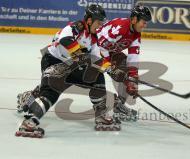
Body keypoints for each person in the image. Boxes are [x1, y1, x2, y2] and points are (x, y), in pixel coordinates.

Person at [15, 4, 121, 138]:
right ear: (89, 20)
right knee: (52, 91)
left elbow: (97, 60)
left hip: (72, 66)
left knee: (97, 75)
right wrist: (81, 55)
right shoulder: (75, 27)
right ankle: (29, 120)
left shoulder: (93, 38)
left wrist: (112, 69)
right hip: (53, 60)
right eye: (98, 22)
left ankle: (100, 114)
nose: (100, 26)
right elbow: (65, 40)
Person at [93, 5, 152, 123]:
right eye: (143, 22)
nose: (145, 25)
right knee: (114, 76)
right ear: (134, 19)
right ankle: (104, 105)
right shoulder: (121, 27)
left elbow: (133, 55)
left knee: (129, 76)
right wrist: (107, 64)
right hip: (95, 50)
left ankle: (118, 106)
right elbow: (100, 44)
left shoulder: (136, 33)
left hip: (110, 51)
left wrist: (133, 78)